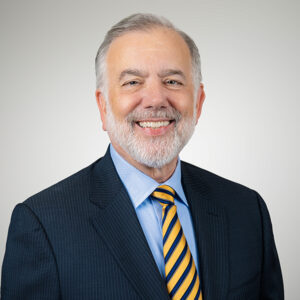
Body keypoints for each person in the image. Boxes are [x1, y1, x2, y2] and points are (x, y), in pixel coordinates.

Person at [1, 13, 283, 300]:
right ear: (103, 107)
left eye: (172, 81)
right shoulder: (43, 225)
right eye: (133, 82)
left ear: (198, 102)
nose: (156, 99)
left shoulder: (247, 211)